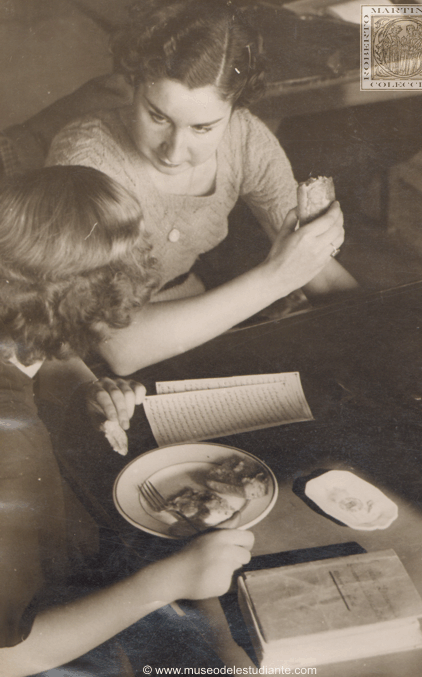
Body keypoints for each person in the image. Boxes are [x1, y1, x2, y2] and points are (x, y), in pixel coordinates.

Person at [0, 165, 254, 676]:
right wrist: (165, 584)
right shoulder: (13, 448)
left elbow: (36, 351)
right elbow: (9, 656)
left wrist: (83, 385)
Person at [46, 0, 357, 376]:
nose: (174, 151)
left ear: (235, 107)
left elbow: (316, 269)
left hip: (189, 321)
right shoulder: (87, 159)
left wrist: (393, 325)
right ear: (134, 83)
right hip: (76, 361)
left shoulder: (243, 137)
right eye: (157, 116)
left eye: (203, 128)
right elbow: (118, 345)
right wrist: (277, 277)